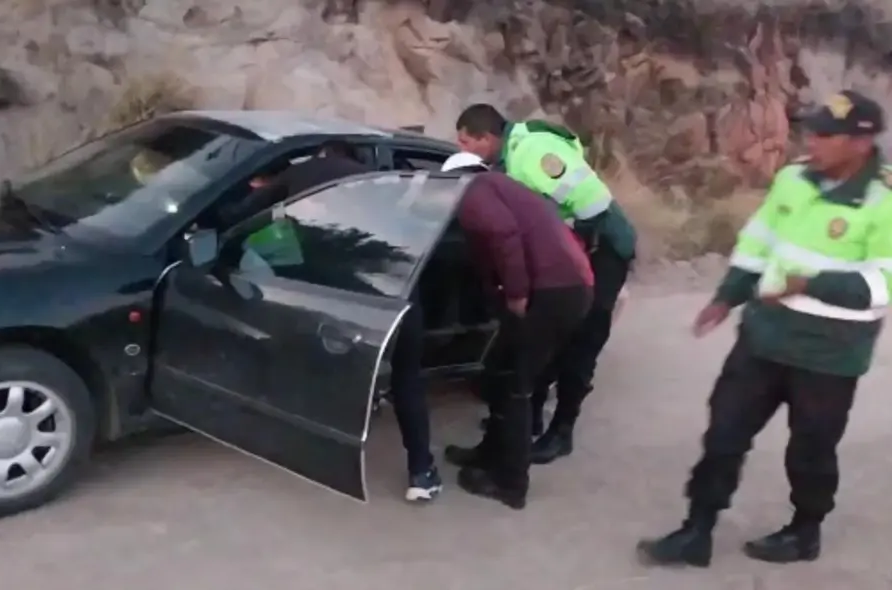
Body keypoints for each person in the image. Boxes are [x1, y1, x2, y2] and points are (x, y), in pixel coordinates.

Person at [636, 90, 892, 568]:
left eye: (826, 135)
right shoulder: (793, 179)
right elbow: (759, 242)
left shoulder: (884, 202)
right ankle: (697, 529)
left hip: (830, 355)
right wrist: (727, 296)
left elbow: (883, 283)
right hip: (764, 336)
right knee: (724, 434)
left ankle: (805, 531)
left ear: (861, 143)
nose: (811, 141)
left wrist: (808, 283)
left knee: (812, 449)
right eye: (811, 131)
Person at [243, 143, 442, 502]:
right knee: (407, 378)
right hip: (398, 287)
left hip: (346, 294)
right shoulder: (380, 183)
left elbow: (241, 215)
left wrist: (260, 190)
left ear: (322, 152)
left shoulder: (299, 174)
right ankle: (421, 473)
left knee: (332, 366)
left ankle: (325, 455)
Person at [455, 104, 637, 464]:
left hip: (603, 249)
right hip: (575, 252)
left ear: (486, 138)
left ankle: (562, 432)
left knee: (581, 341)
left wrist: (565, 256)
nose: (461, 150)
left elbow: (591, 207)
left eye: (465, 142)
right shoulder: (508, 160)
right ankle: (531, 418)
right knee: (545, 336)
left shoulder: (532, 152)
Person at [440, 152, 594, 509]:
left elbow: (504, 235)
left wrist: (516, 293)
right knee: (499, 371)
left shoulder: (475, 189)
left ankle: (510, 483)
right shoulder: (500, 188)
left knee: (515, 384)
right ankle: (489, 454)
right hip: (566, 287)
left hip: (553, 291)